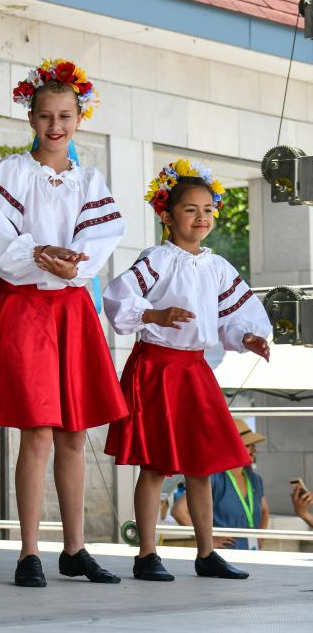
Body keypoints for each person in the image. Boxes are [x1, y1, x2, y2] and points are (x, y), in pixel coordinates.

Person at [0, 59, 128, 588]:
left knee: (73, 432)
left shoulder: (90, 178)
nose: (55, 126)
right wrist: (39, 254)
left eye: (65, 116)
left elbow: (102, 234)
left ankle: (74, 548)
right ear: (31, 119)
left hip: (69, 308)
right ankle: (28, 551)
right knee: (36, 430)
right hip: (24, 303)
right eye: (45, 116)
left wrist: (74, 262)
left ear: (80, 118)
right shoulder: (13, 172)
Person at [104, 162, 273, 581]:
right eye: (190, 210)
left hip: (195, 369)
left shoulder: (218, 267)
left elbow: (234, 314)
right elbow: (118, 299)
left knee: (201, 464)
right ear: (166, 214)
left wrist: (247, 337)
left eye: (208, 210)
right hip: (157, 368)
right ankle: (146, 553)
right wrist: (156, 314)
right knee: (155, 465)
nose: (201, 218)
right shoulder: (157, 259)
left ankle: (206, 551)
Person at [171, 419, 272, 557]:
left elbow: (265, 511)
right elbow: (179, 511)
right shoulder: (213, 478)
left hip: (253, 555)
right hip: (224, 558)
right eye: (249, 445)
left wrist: (261, 537)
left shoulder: (254, 479)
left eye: (253, 445)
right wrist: (209, 541)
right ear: (233, 447)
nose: (254, 449)